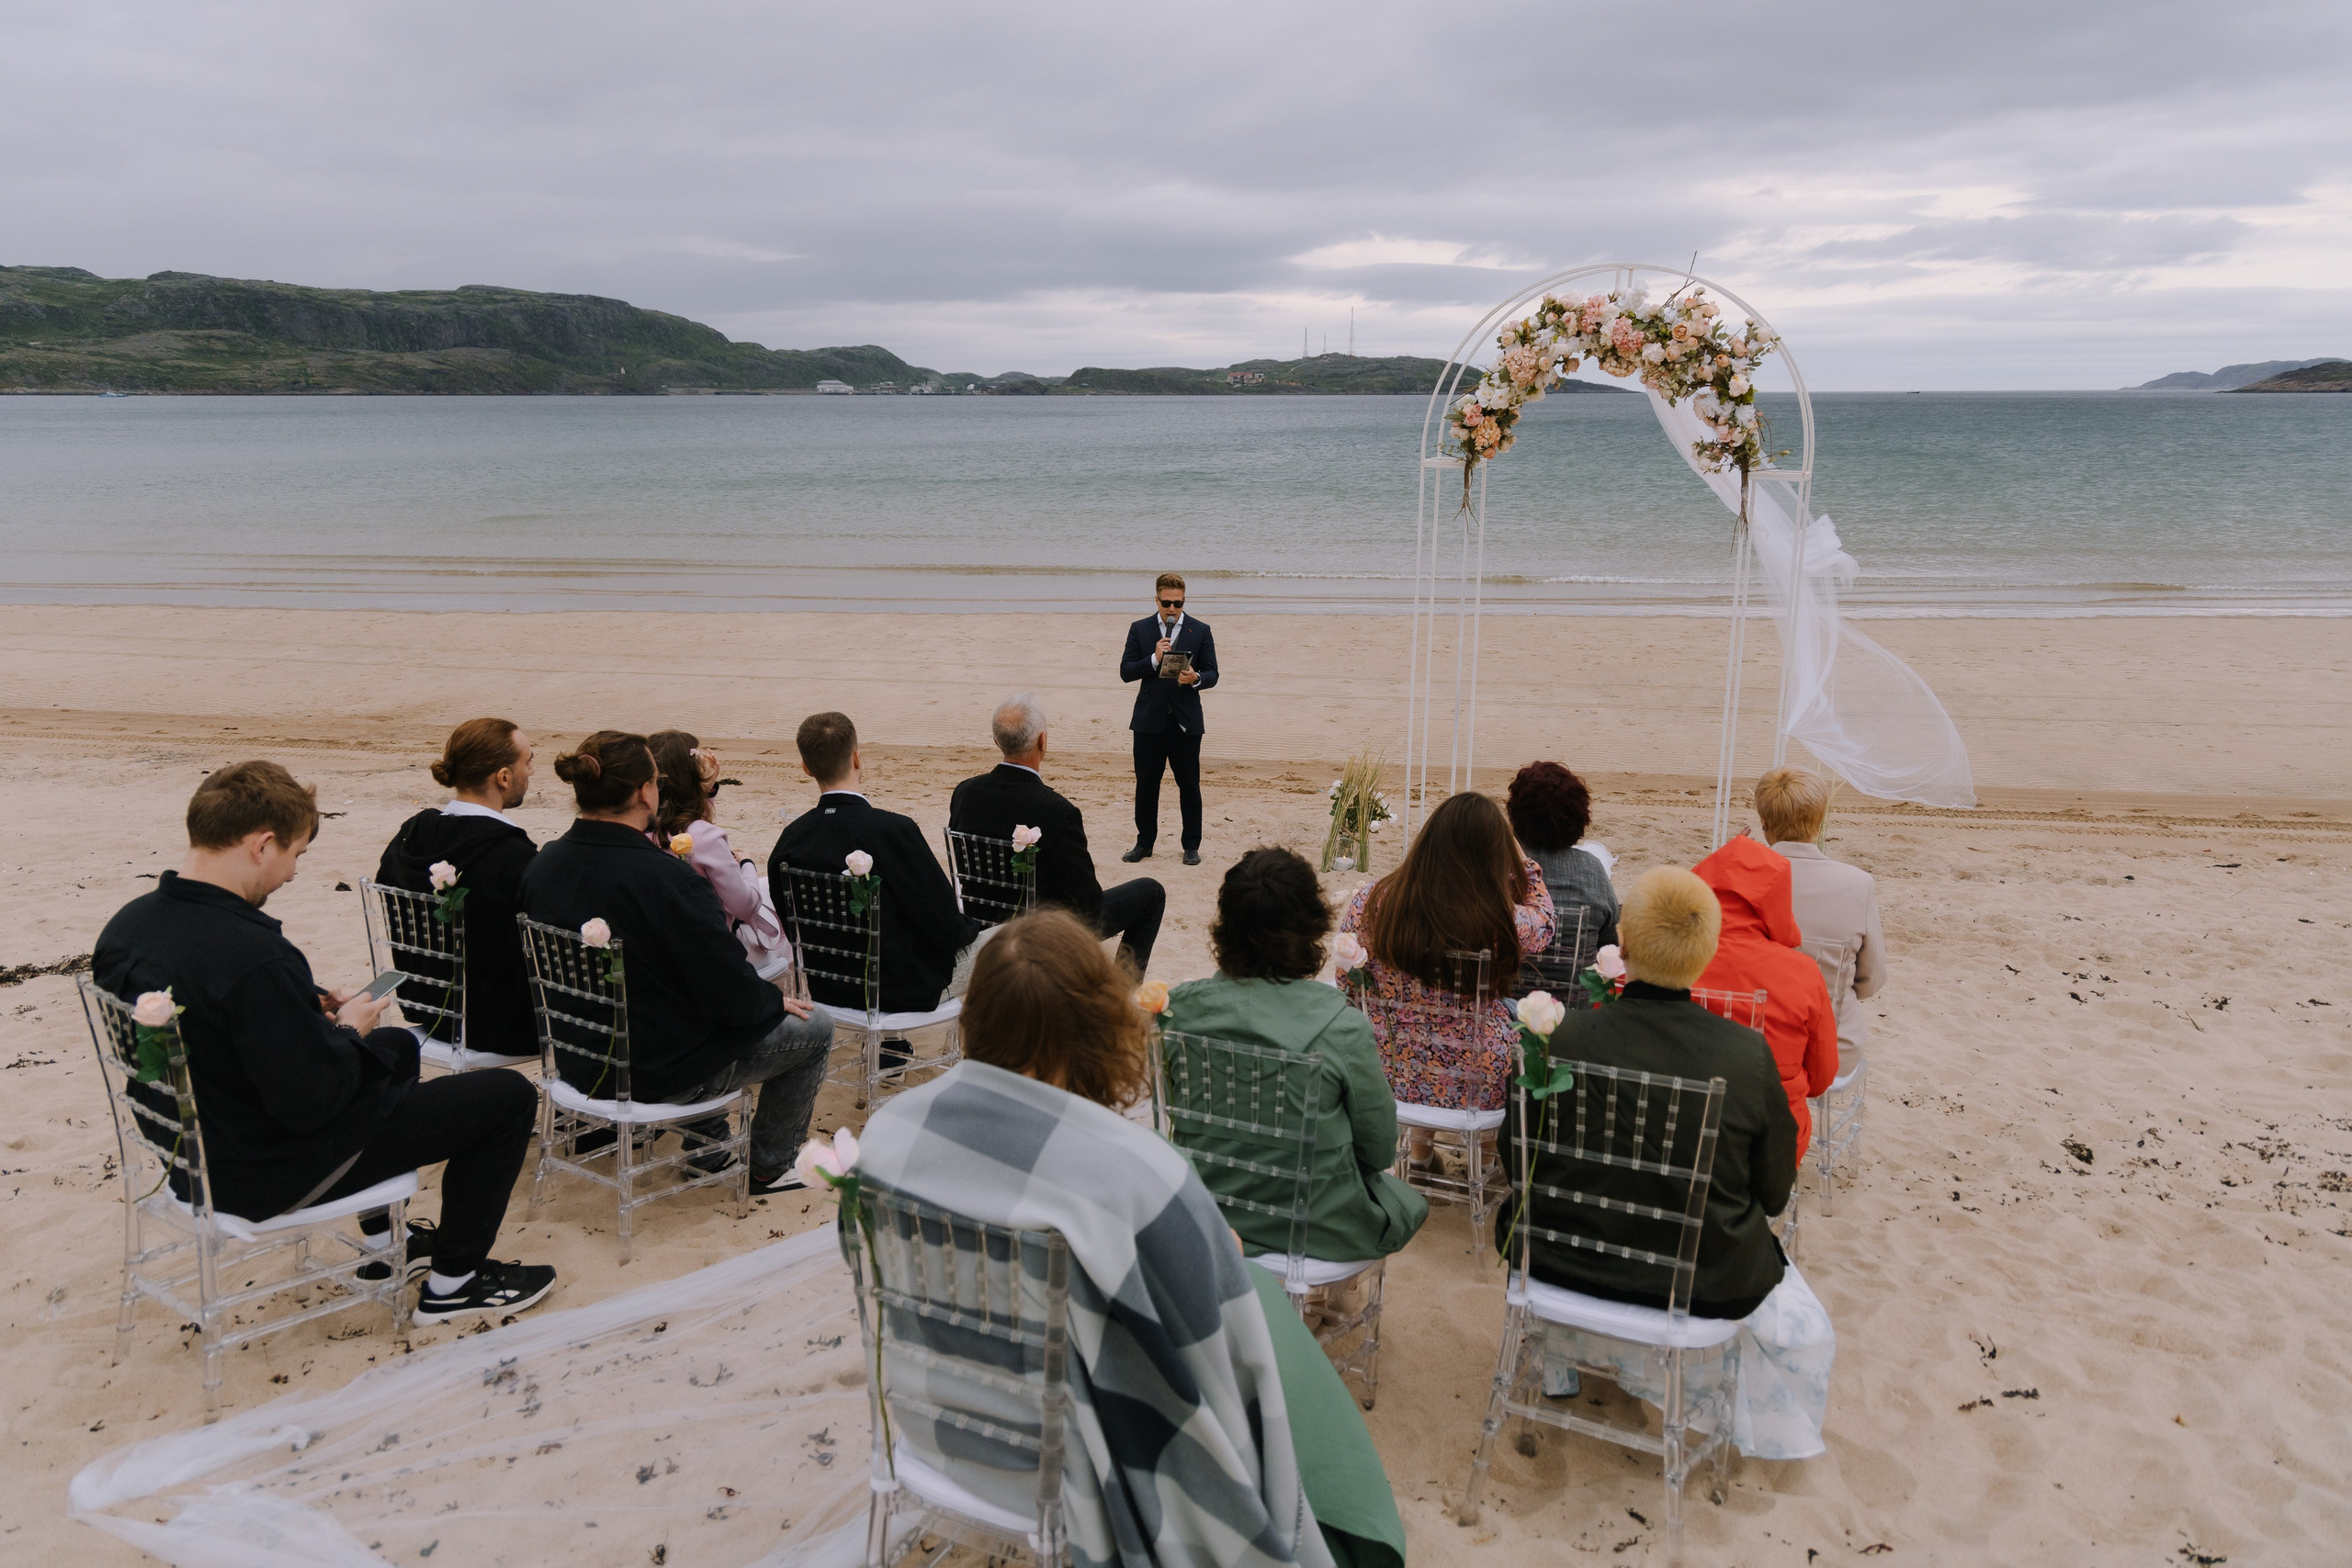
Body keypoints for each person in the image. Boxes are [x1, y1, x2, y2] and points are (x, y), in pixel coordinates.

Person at [852, 909, 1407, 1568]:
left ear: (978, 1017)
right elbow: (1207, 1344)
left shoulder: (890, 1133)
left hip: (933, 1427)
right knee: (1258, 1302)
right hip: (1073, 1464)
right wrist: (1215, 1250)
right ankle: (1346, 1520)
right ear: (1095, 1023)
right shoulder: (1134, 1171)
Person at [96, 761, 555, 1322]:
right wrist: (345, 1029)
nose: (291, 874)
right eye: (295, 856)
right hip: (260, 1170)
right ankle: (454, 1284)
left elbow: (212, 1020)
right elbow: (311, 1101)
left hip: (189, 1151)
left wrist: (301, 1007)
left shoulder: (129, 926)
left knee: (397, 1048)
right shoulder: (254, 954)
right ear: (263, 845)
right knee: (505, 1098)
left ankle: (386, 1244)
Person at [1498, 868, 1831, 1460]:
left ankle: (1562, 1366)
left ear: (1621, 945)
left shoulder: (1560, 1038)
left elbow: (1514, 1153)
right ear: (1705, 956)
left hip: (1554, 1257)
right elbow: (1774, 1192)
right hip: (1698, 1282)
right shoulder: (1745, 1055)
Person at [521, 730, 834, 1194]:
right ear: (645, 792)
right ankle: (771, 1166)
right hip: (656, 1068)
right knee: (815, 1028)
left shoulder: (543, 864)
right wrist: (770, 1000)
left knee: (698, 1013)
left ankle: (708, 1153)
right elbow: (728, 993)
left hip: (576, 1055)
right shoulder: (666, 878)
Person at [1161, 848, 1429, 1265]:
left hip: (1206, 1213)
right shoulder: (1342, 1027)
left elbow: (1176, 1118)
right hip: (1314, 1224)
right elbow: (1378, 1149)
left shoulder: (1176, 1012)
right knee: (1393, 1198)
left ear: (1224, 927)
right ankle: (1326, 1301)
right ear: (1312, 927)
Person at [1337, 791, 1554, 1126]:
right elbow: (1545, 923)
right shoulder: (1497, 917)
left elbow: (1347, 982)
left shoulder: (1372, 900)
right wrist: (1524, 864)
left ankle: (1421, 1157)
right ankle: (1481, 1158)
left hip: (1388, 1067)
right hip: (1476, 1081)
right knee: (1518, 1019)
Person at [768, 711, 980, 1014]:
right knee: (1006, 942)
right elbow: (946, 929)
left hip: (826, 987)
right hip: (900, 991)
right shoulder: (894, 831)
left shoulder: (791, 839)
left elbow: (795, 927)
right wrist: (973, 927)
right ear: (857, 758)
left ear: (806, 768)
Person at [948, 693, 1166, 974]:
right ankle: (1123, 994)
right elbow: (1088, 904)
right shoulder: (1057, 811)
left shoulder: (964, 793)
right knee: (1152, 893)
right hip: (1041, 932)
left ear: (997, 742)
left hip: (981, 920)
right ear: (1043, 741)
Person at [375, 717, 540, 1060]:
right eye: (528, 761)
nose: (532, 772)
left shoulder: (411, 835)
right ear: (504, 777)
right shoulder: (513, 855)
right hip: (497, 1027)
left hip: (423, 1007)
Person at [1691, 833, 1839, 1158]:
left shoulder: (1666, 960)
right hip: (1769, 1143)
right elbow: (1821, 1077)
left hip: (1679, 1132)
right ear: (1776, 901)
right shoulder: (1800, 972)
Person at [1755, 766, 1885, 1070]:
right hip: (1833, 1048)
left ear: (1764, 823)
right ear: (1820, 821)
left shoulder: (1742, 877)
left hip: (1755, 1043)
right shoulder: (1858, 883)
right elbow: (1871, 980)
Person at [649, 729, 793, 981]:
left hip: (663, 952)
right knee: (788, 936)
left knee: (765, 888)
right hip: (717, 954)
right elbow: (744, 907)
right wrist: (746, 863)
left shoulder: (642, 829)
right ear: (692, 776)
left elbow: (687, 813)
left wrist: (706, 787)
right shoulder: (705, 836)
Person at [1118, 570, 1219, 865]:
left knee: (1189, 785)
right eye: (1167, 603)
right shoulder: (1140, 629)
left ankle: (1191, 846)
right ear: (1157, 600)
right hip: (1149, 721)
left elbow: (1213, 672)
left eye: (1178, 603)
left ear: (1184, 601)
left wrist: (1196, 677)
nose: (1172, 609)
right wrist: (1154, 659)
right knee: (1146, 785)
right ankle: (1144, 843)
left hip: (1185, 722)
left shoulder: (1200, 630)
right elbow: (1126, 671)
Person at [1503, 760, 1619, 975]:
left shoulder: (1496, 867)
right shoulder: (1591, 870)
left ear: (1515, 815)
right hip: (1575, 1002)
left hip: (1502, 999)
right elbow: (1611, 940)